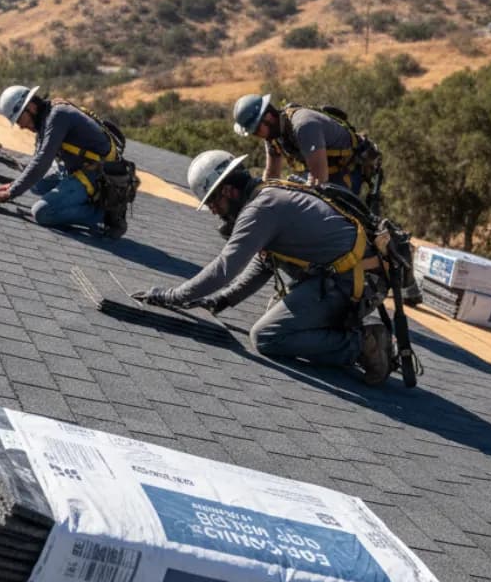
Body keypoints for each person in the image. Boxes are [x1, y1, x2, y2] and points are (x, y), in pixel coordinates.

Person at [133, 149, 392, 384]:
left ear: (228, 190)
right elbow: (264, 263)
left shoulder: (261, 209)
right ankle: (334, 329)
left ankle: (362, 343)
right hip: (345, 276)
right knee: (278, 315)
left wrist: (172, 296)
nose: (213, 211)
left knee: (267, 336)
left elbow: (225, 267)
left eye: (213, 203)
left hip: (355, 282)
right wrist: (222, 300)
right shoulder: (267, 194)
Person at [0, 85, 122, 233]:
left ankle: (105, 215)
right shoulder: (45, 119)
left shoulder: (58, 115)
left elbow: (43, 160)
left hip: (98, 176)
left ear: (32, 107)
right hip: (78, 169)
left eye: (20, 119)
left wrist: (11, 193)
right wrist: (13, 184)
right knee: (35, 184)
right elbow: (37, 160)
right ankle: (75, 199)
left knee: (42, 213)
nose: (21, 126)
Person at [232, 93, 381, 202]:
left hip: (345, 172)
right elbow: (271, 175)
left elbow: (319, 180)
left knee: (324, 212)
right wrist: (259, 200)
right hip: (319, 172)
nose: (257, 135)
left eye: (256, 130)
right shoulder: (272, 135)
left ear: (269, 118)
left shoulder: (304, 125)